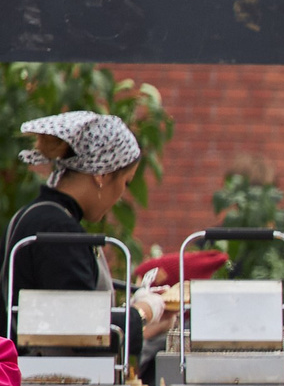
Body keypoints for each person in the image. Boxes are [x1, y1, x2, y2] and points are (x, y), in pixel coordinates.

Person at [6, 113, 178, 349]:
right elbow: (83, 331)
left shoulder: (36, 215)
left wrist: (139, 311)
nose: (120, 196)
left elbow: (62, 317)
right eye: (125, 182)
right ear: (103, 175)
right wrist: (143, 311)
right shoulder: (58, 230)